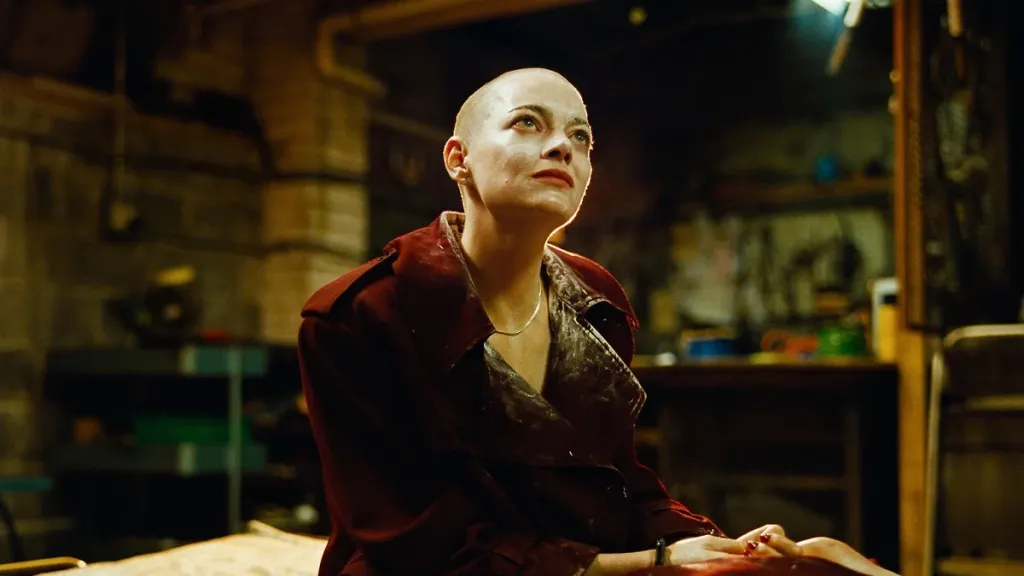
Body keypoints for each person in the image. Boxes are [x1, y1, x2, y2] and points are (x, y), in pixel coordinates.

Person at [298, 68, 898, 576]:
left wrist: (716, 546)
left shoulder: (595, 298)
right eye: (527, 123)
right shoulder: (359, 316)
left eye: (580, 136)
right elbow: (413, 545)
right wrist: (647, 561)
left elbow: (617, 486)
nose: (563, 146)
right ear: (459, 159)